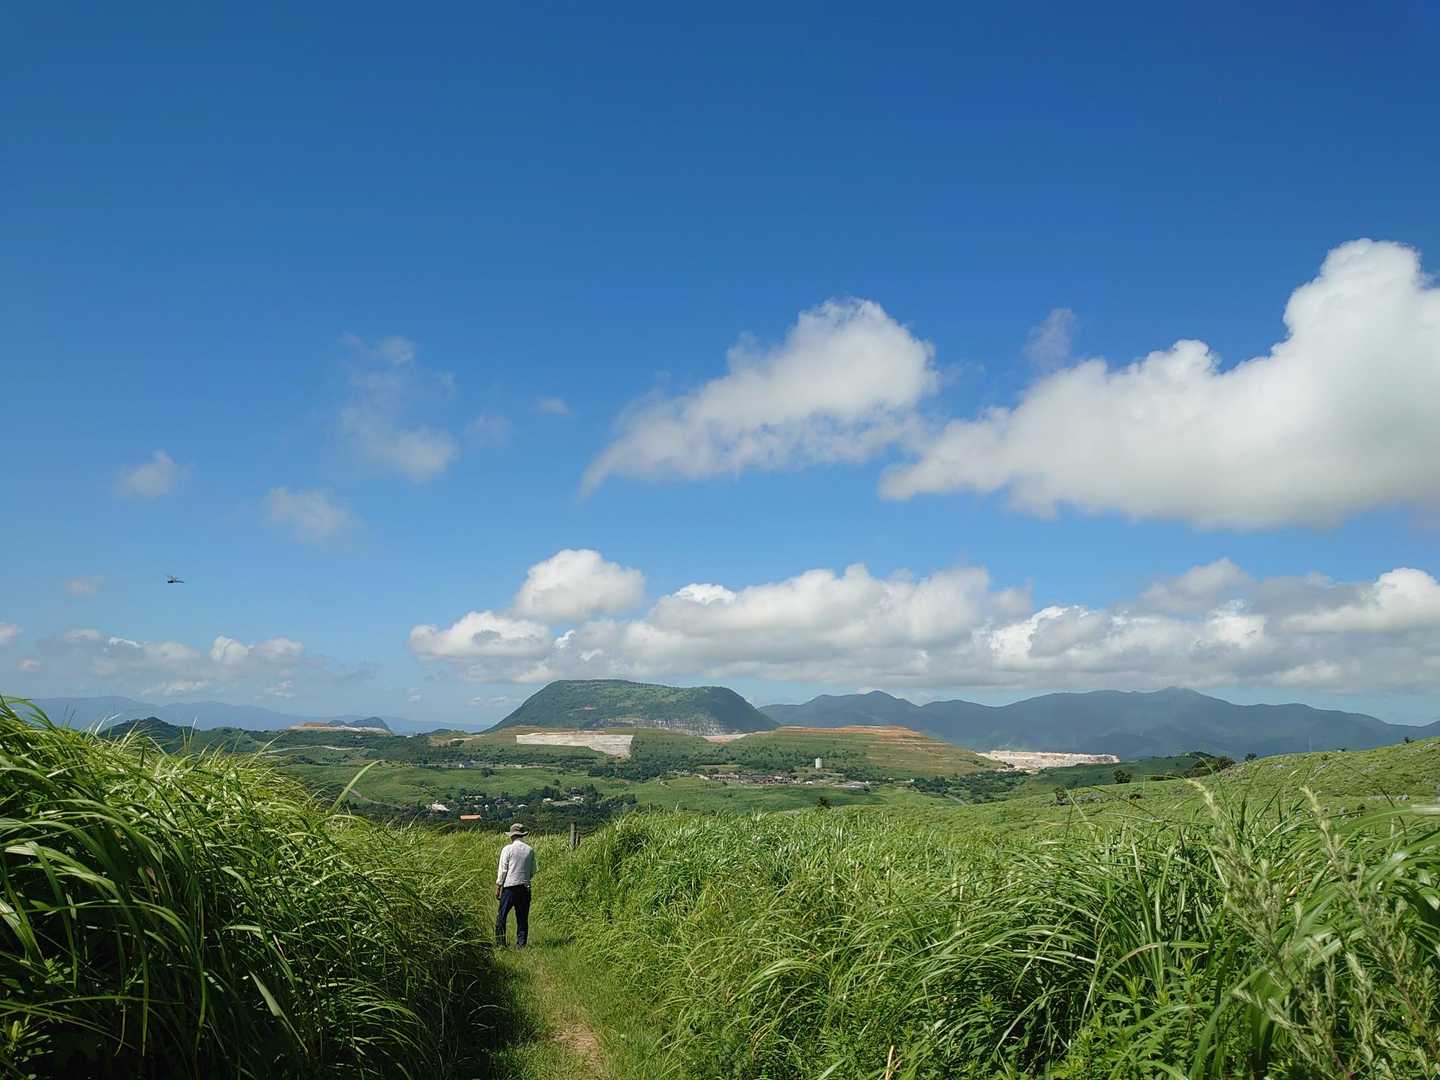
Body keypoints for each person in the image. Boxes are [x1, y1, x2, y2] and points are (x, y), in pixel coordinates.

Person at [495, 822, 536, 948]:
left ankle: (501, 943)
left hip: (510, 887)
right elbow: (533, 870)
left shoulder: (507, 849)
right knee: (522, 918)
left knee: (501, 916)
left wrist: (498, 886)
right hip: (524, 887)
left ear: (511, 835)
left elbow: (503, 870)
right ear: (522, 835)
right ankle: (521, 944)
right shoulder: (529, 850)